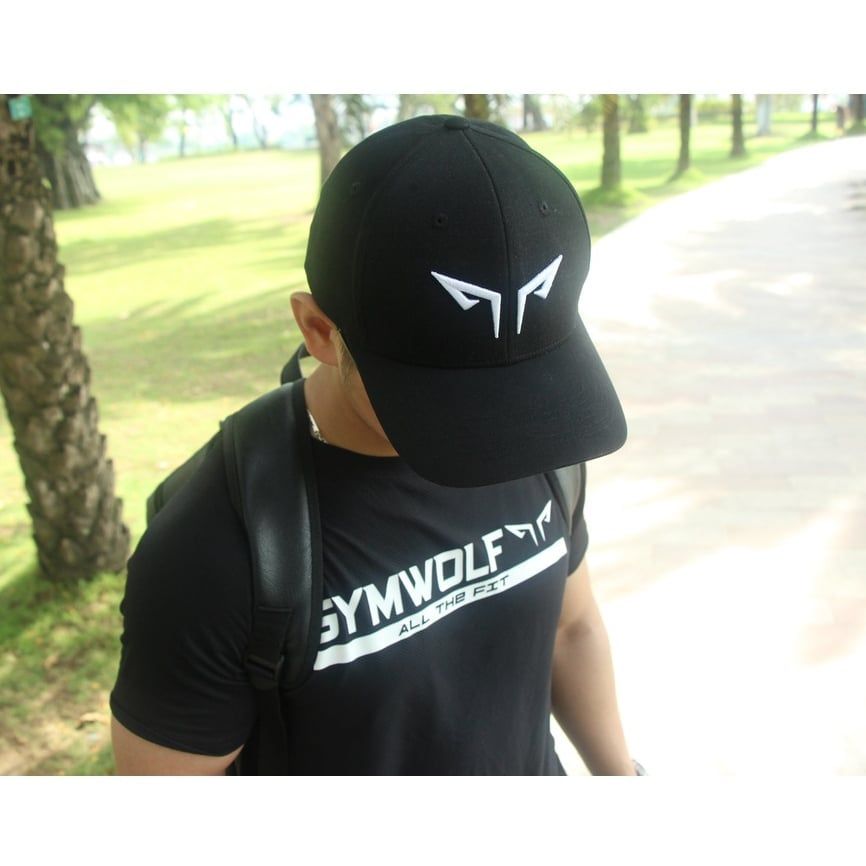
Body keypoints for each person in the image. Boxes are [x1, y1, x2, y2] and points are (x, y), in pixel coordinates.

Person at [109, 114, 640, 775]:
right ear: (318, 331)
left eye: (518, 383)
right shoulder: (215, 549)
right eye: (444, 392)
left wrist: (624, 781)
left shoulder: (540, 429)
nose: (499, 428)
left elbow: (570, 628)